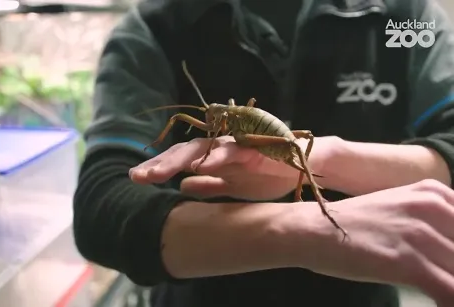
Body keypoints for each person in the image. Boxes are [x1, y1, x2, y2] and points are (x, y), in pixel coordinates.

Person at [73, 0, 454, 306]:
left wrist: (330, 159)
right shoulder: (154, 27)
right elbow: (103, 206)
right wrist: (302, 230)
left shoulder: (406, 19)